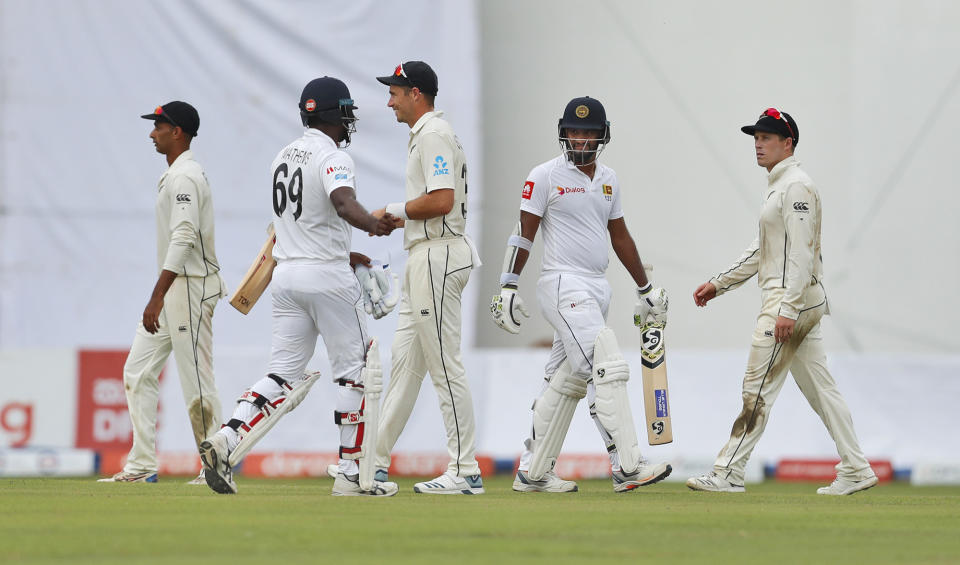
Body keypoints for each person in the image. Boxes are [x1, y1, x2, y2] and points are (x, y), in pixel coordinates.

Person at [199, 77, 398, 496]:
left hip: (287, 277)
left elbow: (303, 222)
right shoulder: (333, 157)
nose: (349, 122)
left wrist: (349, 252)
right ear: (330, 114)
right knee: (355, 374)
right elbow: (343, 204)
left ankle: (228, 437)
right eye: (345, 112)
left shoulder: (282, 156)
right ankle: (350, 475)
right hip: (326, 278)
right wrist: (373, 226)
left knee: (281, 373)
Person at [686, 108, 877, 495]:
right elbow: (764, 249)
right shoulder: (780, 185)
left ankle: (727, 472)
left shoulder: (796, 186)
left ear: (787, 143)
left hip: (790, 302)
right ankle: (856, 468)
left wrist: (787, 310)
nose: (758, 144)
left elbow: (802, 254)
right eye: (756, 137)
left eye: (767, 138)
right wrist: (719, 284)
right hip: (797, 300)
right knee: (822, 389)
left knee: (757, 388)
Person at [491, 96, 672, 493]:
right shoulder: (544, 176)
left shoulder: (609, 178)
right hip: (561, 284)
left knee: (564, 379)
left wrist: (645, 288)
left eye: (589, 133)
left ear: (602, 136)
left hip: (596, 287)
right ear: (563, 133)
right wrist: (507, 284)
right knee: (603, 365)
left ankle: (533, 472)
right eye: (575, 131)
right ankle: (626, 465)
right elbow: (524, 233)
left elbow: (619, 236)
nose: (581, 139)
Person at [370, 61, 485, 494]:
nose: (390, 101)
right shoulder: (427, 135)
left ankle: (465, 468)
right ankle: (372, 462)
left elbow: (441, 200)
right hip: (426, 254)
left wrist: (395, 211)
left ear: (416, 93)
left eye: (395, 92)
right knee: (404, 366)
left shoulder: (433, 133)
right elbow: (436, 203)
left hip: (438, 257)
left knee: (443, 365)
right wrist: (401, 221)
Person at [99, 101, 226, 484]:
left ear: (179, 132)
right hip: (175, 290)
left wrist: (156, 296)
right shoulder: (174, 175)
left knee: (196, 380)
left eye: (159, 126)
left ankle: (216, 466)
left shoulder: (185, 177)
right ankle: (141, 465)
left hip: (189, 288)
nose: (152, 132)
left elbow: (185, 237)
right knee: (137, 371)